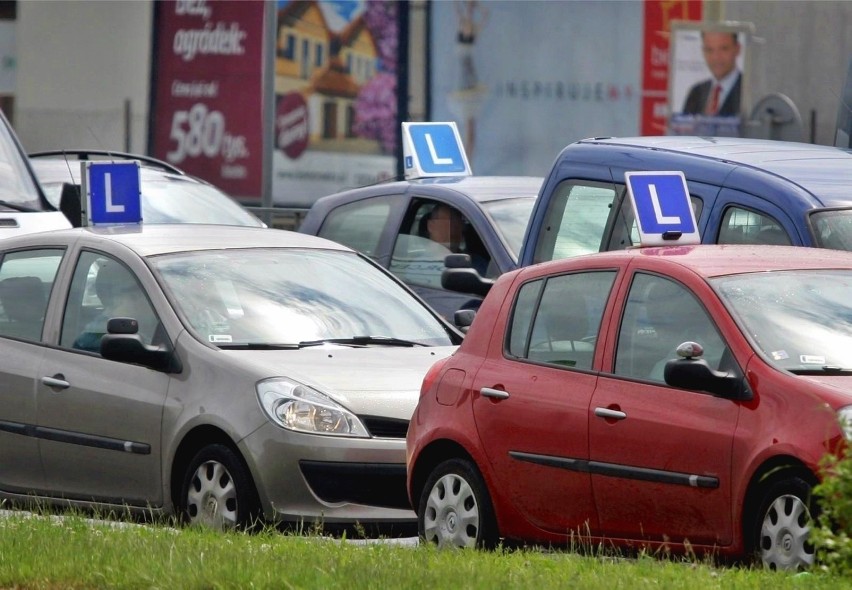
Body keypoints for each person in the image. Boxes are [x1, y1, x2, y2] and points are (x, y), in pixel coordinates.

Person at [73, 259, 158, 353]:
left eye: (142, 293)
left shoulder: (152, 324)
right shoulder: (93, 340)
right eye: (133, 296)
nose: (143, 301)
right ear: (114, 300)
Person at [681, 31, 742, 116]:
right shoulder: (696, 92)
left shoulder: (747, 91)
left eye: (724, 49)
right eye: (709, 50)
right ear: (703, 52)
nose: (716, 57)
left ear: (737, 49)